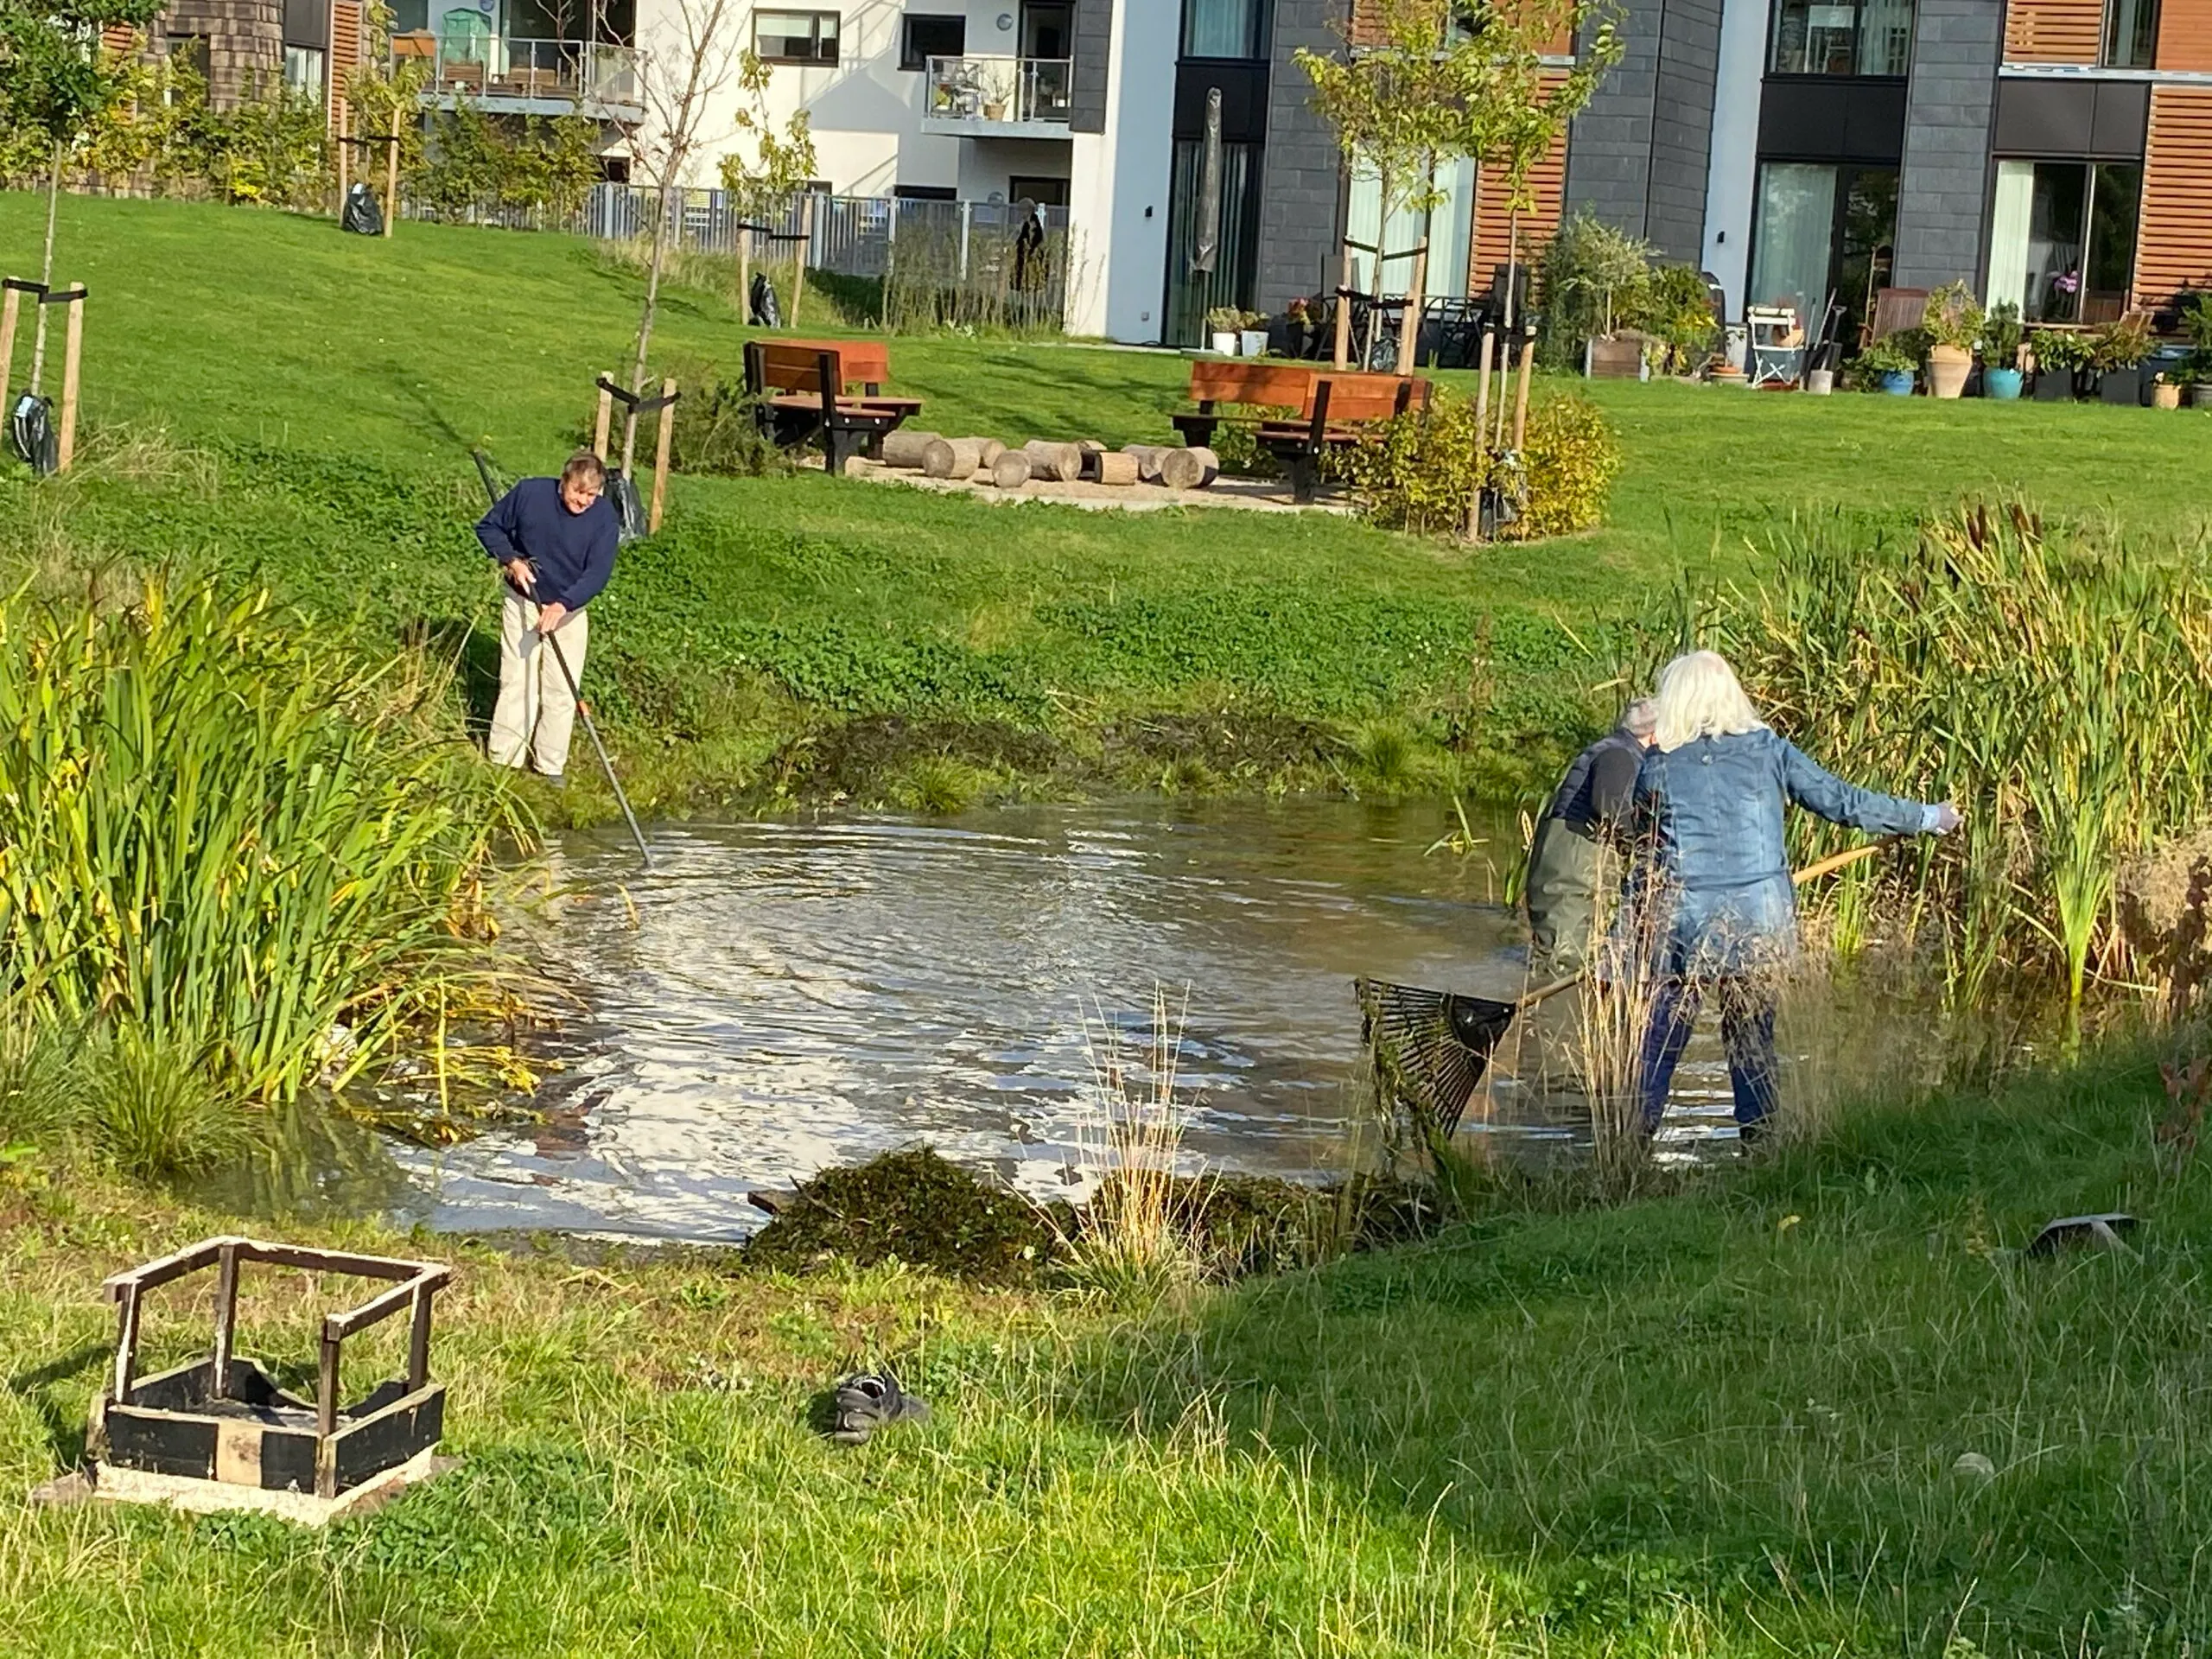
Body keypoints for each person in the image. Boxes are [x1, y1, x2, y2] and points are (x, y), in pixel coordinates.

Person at [1624, 651, 1960, 1141]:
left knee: (1663, 1038)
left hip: (1685, 920)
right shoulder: (1769, 750)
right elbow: (1842, 801)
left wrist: (1627, 930)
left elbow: (1644, 844)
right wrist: (1927, 817)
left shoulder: (1657, 765)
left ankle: (1632, 1140)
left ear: (1677, 700)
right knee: (1752, 1039)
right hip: (1759, 918)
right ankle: (1759, 1148)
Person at [476, 450, 620, 785]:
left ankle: (550, 765)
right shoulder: (530, 494)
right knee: (518, 679)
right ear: (563, 483)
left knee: (561, 689)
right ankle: (504, 759)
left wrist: (564, 605)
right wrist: (511, 560)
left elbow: (597, 573)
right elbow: (489, 528)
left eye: (591, 494)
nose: (583, 500)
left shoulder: (604, 518)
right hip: (524, 600)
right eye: (577, 492)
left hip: (569, 611)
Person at [1525, 699, 1656, 975]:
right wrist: (1642, 847)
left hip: (1568, 854)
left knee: (1561, 952)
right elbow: (1611, 808)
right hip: (1574, 861)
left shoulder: (1611, 748)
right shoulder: (1619, 755)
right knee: (1562, 960)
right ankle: (1547, 1016)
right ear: (1656, 734)